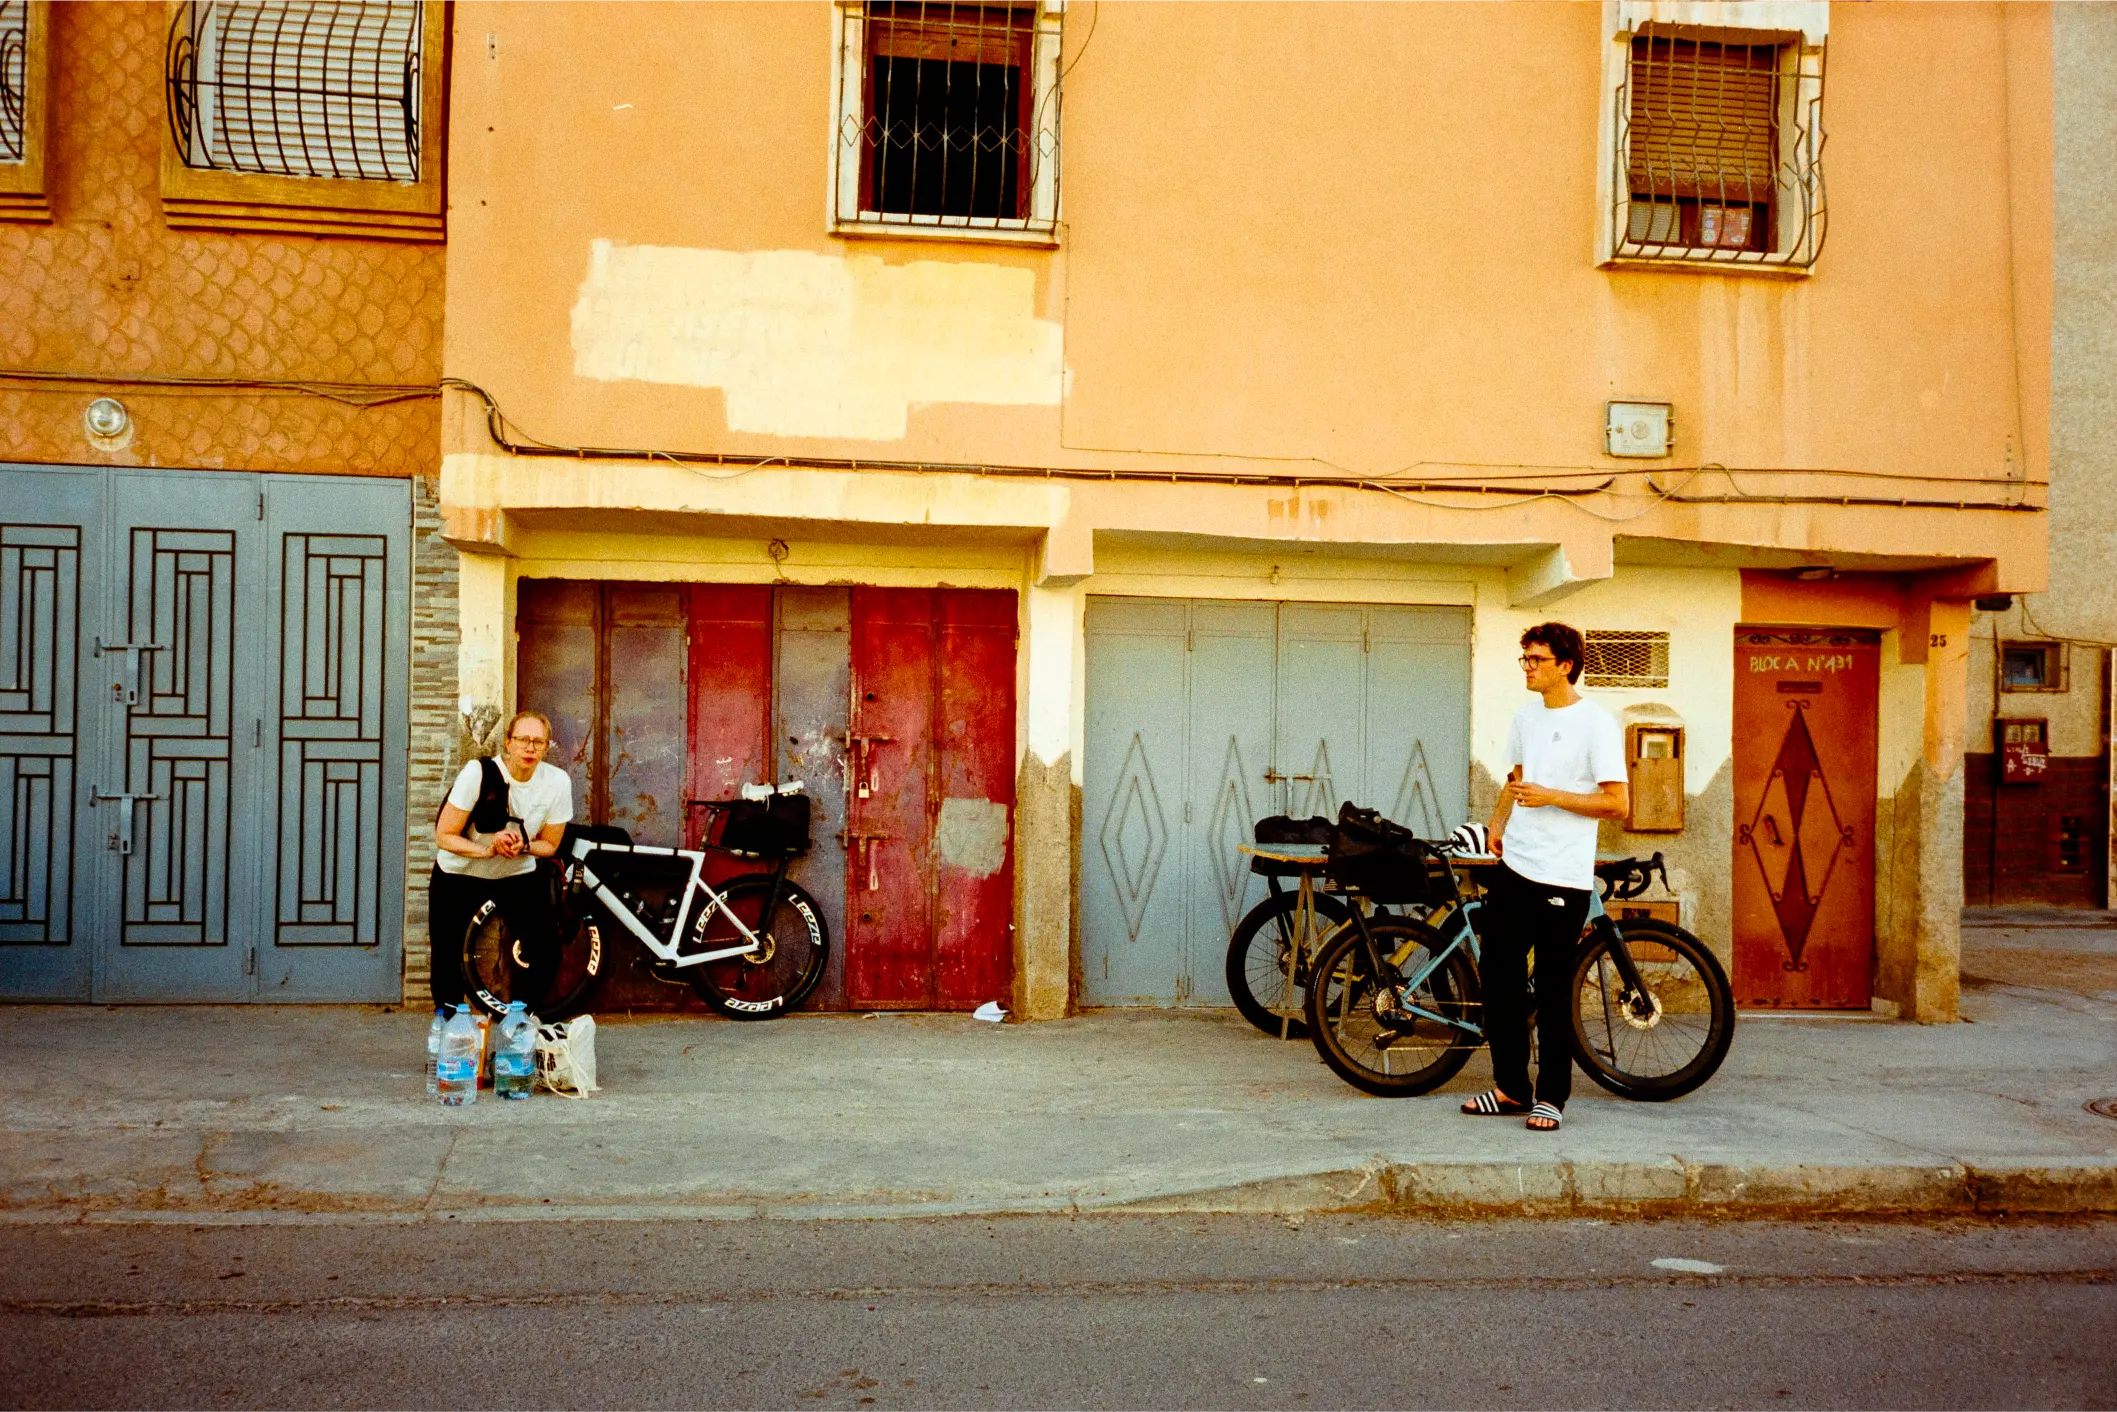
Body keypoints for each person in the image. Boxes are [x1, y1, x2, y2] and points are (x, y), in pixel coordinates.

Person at [1461, 623, 1629, 1132]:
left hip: (1563, 875)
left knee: (1554, 990)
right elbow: (1516, 778)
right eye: (1524, 659)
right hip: (1517, 866)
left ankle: (1551, 1097)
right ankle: (1511, 1087)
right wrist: (1496, 823)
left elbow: (1618, 803)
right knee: (1498, 979)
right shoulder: (1525, 717)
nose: (1528, 667)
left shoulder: (1596, 724)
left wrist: (1553, 796)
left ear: (1566, 665)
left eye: (1536, 659)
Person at [427, 710, 574, 1007]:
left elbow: (551, 845)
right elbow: (444, 835)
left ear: (547, 747)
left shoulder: (557, 782)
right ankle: (449, 1027)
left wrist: (524, 846)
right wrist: (486, 849)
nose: (530, 748)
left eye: (538, 741)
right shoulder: (477, 773)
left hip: (515, 873)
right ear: (508, 743)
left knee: (546, 948)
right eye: (523, 740)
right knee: (447, 954)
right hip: (460, 873)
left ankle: (522, 1019)